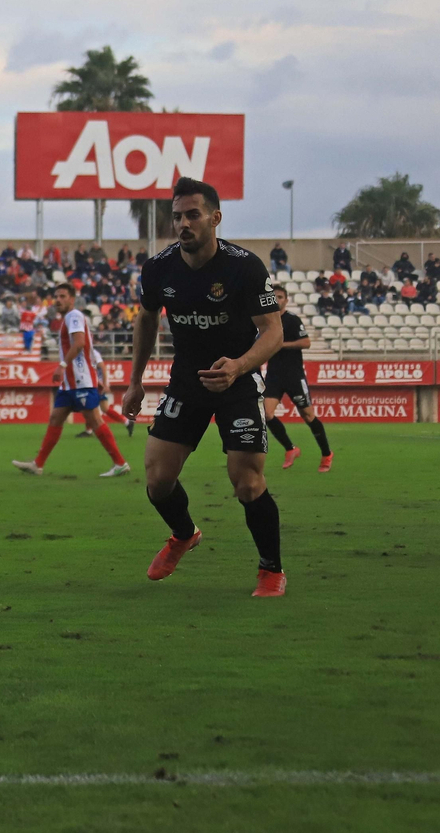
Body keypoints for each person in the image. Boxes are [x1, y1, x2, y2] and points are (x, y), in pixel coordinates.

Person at [122, 177, 286, 598]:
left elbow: (273, 333)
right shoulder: (158, 268)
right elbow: (146, 318)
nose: (183, 224)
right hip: (187, 382)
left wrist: (239, 366)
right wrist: (135, 382)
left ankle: (270, 570)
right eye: (176, 216)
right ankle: (183, 534)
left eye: (193, 215)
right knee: (157, 479)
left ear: (215, 217)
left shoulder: (244, 266)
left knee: (246, 480)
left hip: (239, 381)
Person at [11, 285, 129, 478]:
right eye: (56, 296)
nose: (58, 300)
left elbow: (80, 343)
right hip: (70, 383)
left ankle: (120, 463)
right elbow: (88, 349)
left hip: (80, 380)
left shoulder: (73, 316)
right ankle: (37, 464)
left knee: (95, 420)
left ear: (72, 299)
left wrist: (63, 365)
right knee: (56, 417)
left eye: (63, 296)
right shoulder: (68, 318)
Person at [263, 286, 332, 473]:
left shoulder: (292, 320)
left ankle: (326, 454)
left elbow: (306, 342)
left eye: (280, 297)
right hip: (274, 376)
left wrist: (281, 345)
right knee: (266, 414)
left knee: (308, 416)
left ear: (286, 300)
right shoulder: (266, 321)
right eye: (274, 296)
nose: (277, 299)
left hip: (294, 375)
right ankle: (291, 449)